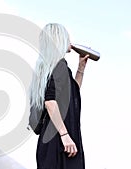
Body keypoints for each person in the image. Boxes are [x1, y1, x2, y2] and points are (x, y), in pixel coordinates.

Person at [29, 23, 89, 169]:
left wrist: (80, 68)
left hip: (52, 144)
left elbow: (71, 95)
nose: (70, 41)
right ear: (59, 39)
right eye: (67, 37)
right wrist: (65, 136)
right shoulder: (59, 66)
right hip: (59, 145)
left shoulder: (50, 69)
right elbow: (50, 102)